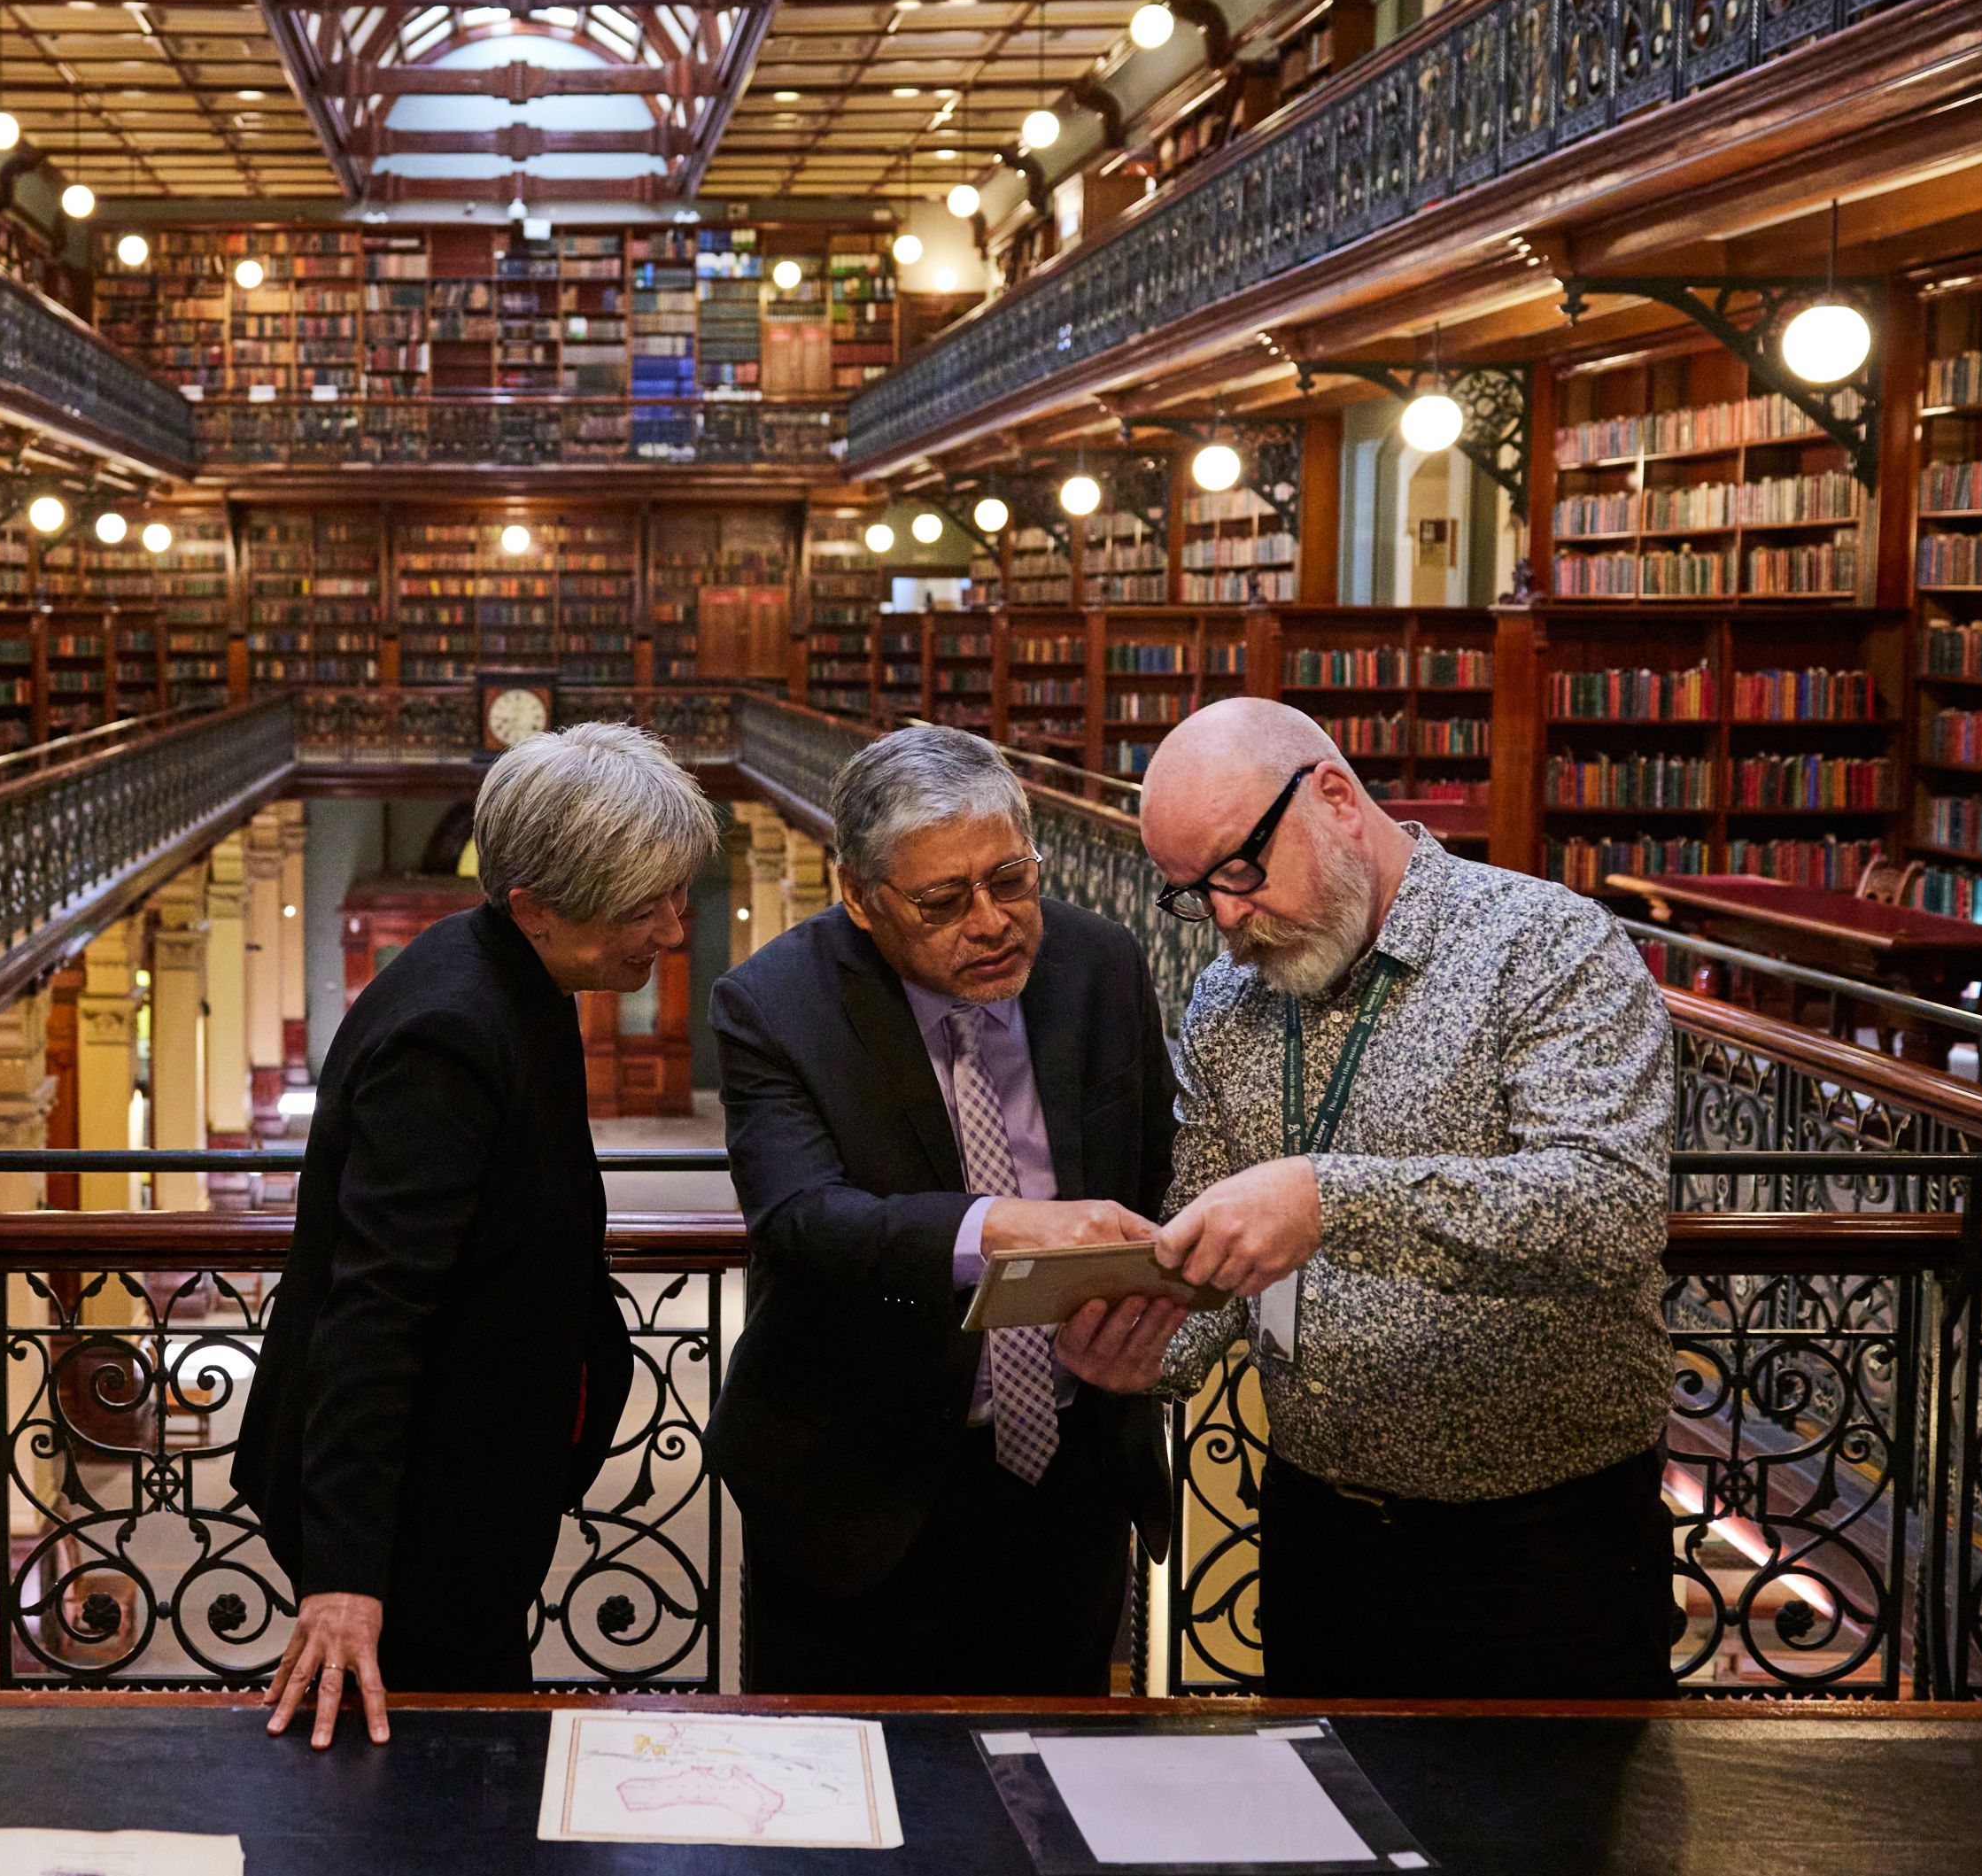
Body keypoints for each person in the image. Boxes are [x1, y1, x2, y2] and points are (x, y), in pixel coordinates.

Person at [1110, 694, 1676, 1699]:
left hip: (1541, 1549)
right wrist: (1138, 1340)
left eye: (1239, 869)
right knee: (1334, 1846)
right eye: (1193, 892)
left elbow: (1605, 1206)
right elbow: (1208, 1224)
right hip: (1313, 1527)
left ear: (1331, 793)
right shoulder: (1227, 998)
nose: (1228, 915)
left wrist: (1328, 1200)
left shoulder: (1545, 945)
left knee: (1562, 1852)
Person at [238, 720, 718, 1747]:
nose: (673, 930)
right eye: (645, 905)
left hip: (471, 1493)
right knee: (427, 1796)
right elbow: (375, 1311)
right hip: (417, 1523)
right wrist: (345, 1575)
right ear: (534, 906)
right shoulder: (451, 1033)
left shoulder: (517, 978)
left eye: (677, 895)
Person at [710, 723, 1182, 1697]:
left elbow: (1155, 1176)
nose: (991, 921)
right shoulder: (774, 1003)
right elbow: (801, 1220)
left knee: (1051, 1792)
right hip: (857, 1492)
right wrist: (997, 1226)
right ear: (860, 896)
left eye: (1010, 878)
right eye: (941, 900)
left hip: (1065, 1484)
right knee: (846, 1809)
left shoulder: (1100, 967)